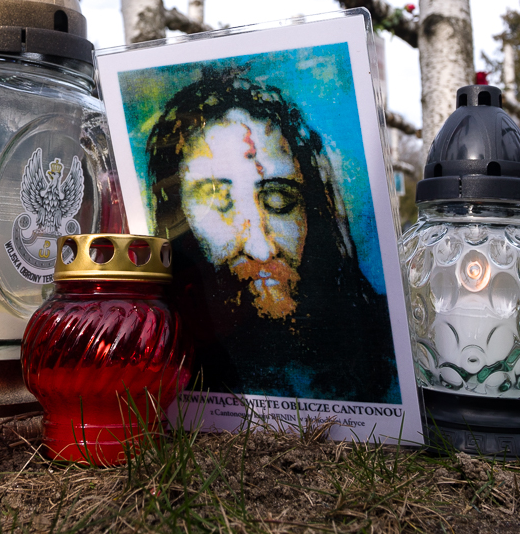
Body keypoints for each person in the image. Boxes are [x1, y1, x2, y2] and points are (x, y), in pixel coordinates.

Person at [146, 66, 397, 403]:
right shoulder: (150, 349)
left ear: (312, 211)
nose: (260, 248)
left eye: (279, 200)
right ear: (174, 211)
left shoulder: (385, 348)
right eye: (218, 201)